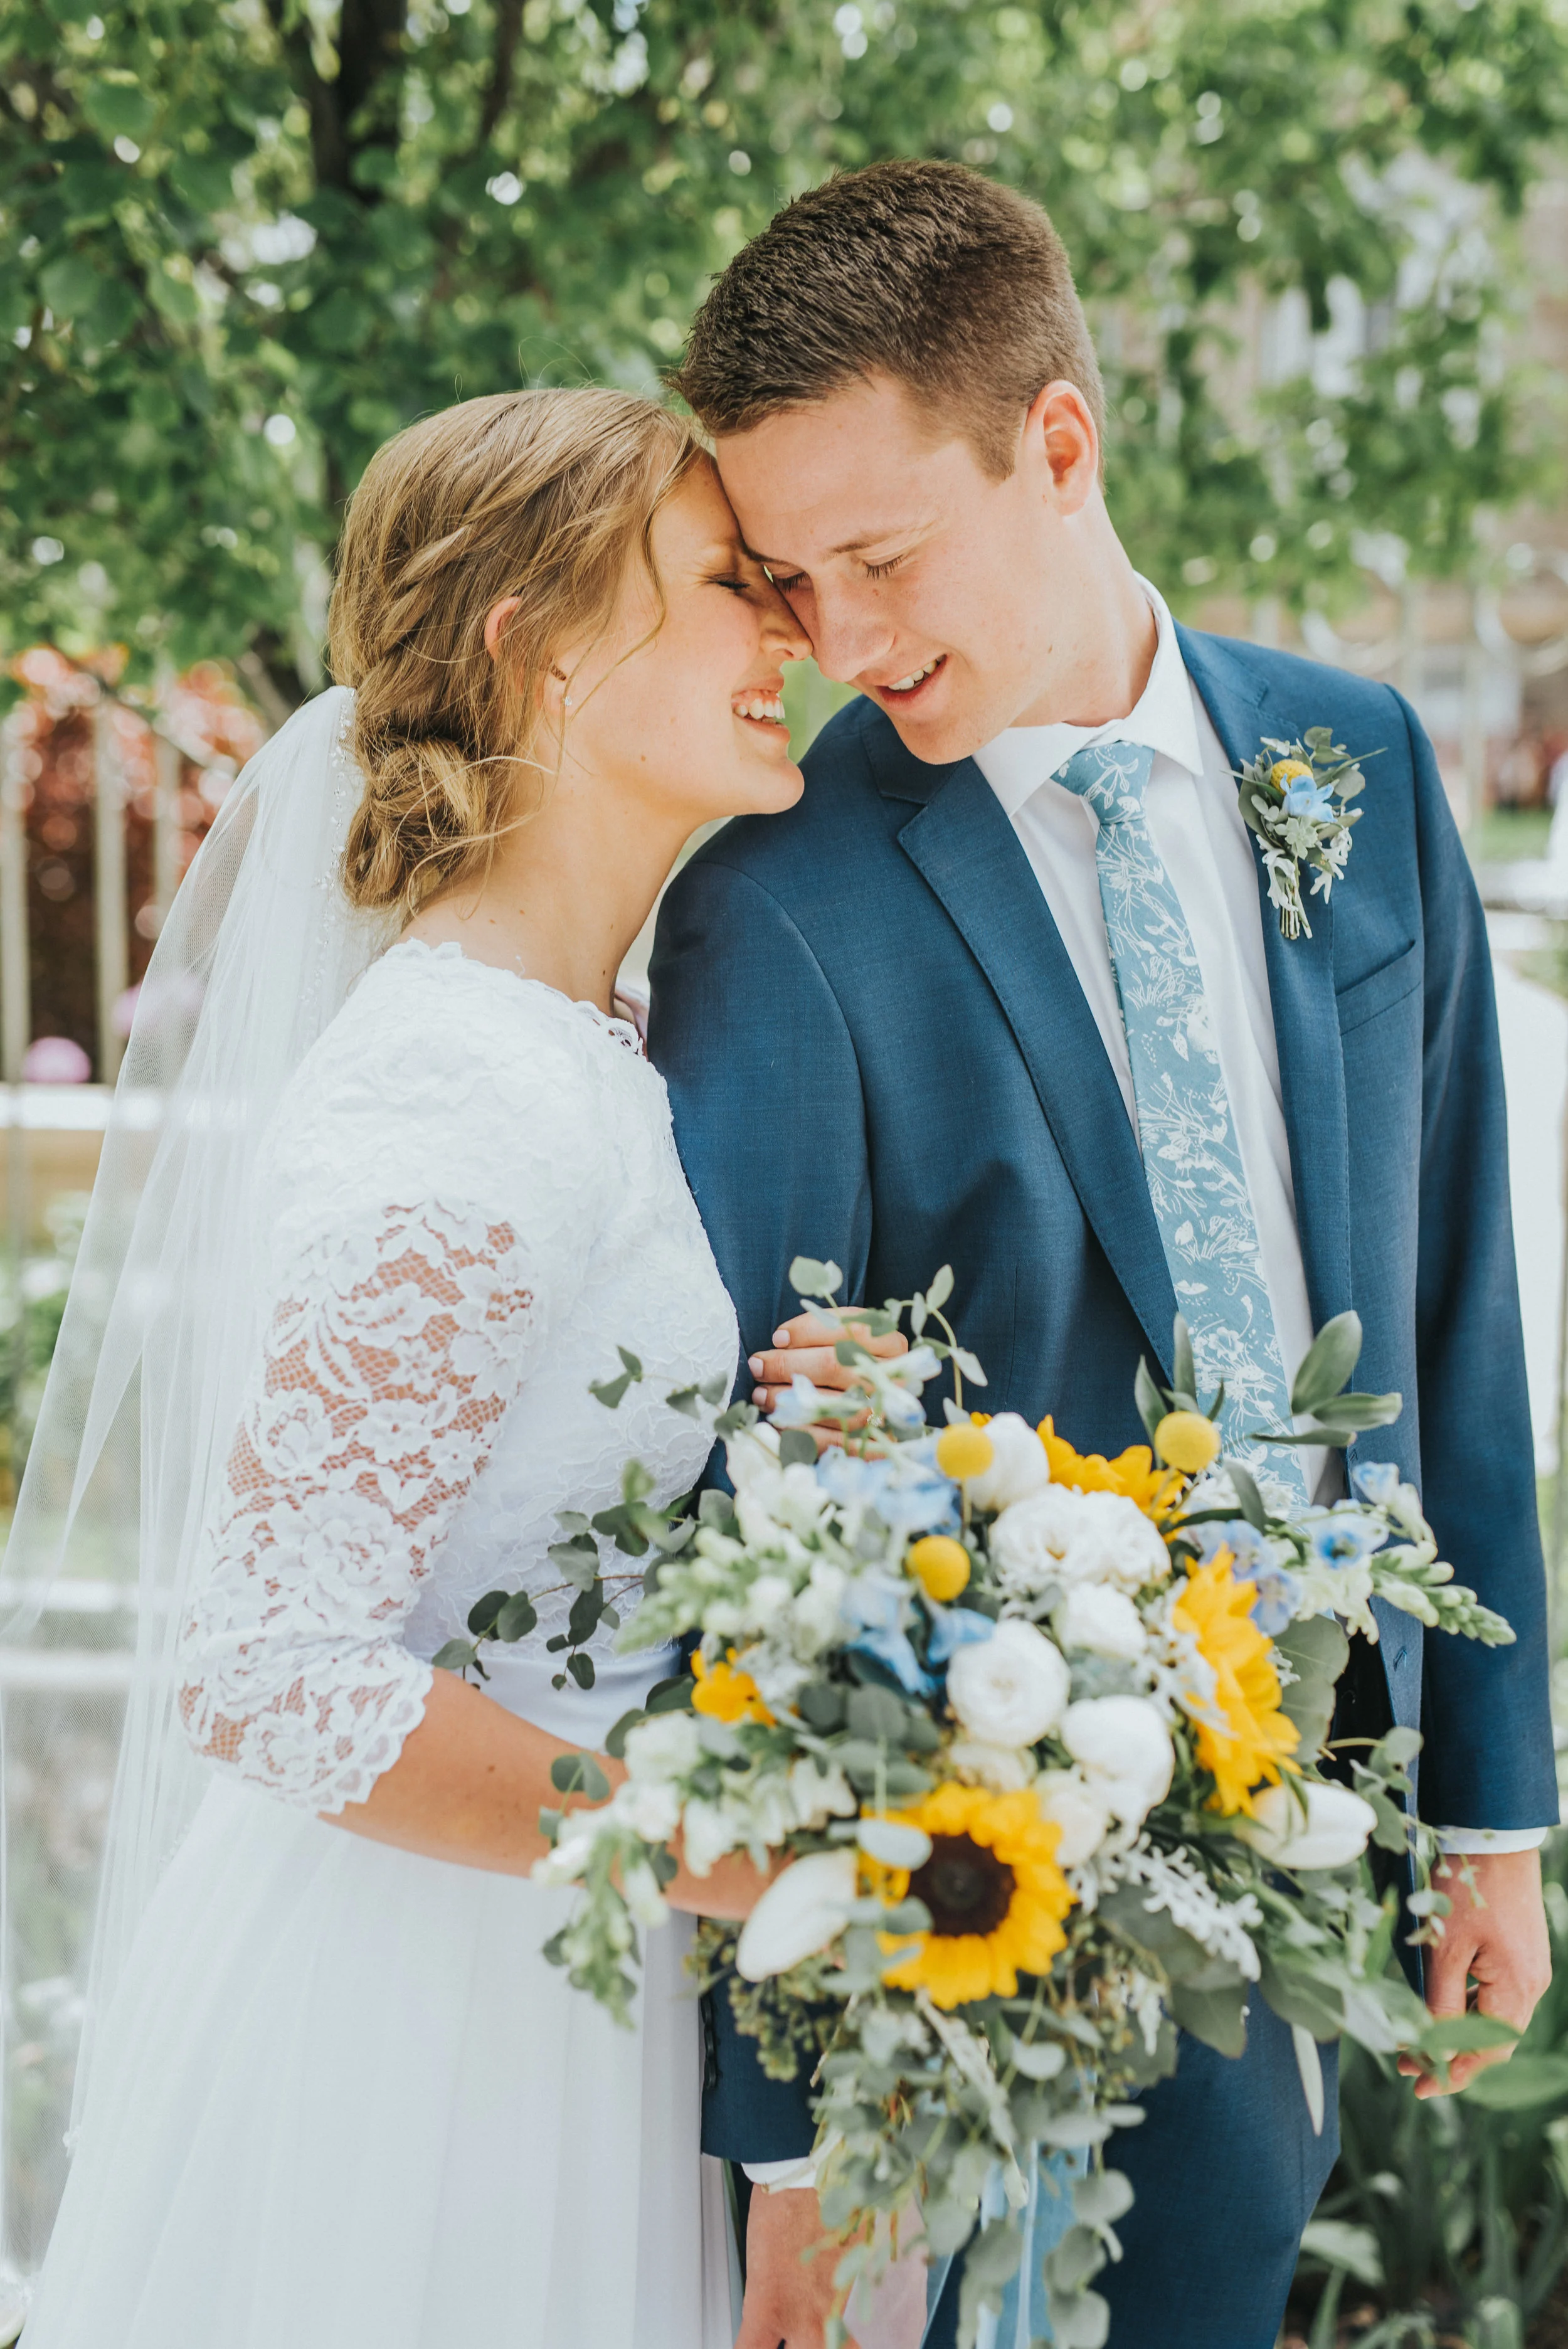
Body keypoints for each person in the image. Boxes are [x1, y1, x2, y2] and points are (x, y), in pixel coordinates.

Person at [649, 160, 1557, 2349]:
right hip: (997, 1914)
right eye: (792, 578)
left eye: (882, 557)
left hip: (1324, 1819)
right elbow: (734, 1520)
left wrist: (1489, 1812)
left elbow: (1452, 1291)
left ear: (1056, 443)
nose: (846, 642)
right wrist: (796, 2131)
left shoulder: (1355, 760)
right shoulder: (780, 904)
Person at [13, 387, 818, 2349]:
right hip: (415, 2028)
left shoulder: (570, 1049)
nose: (788, 636)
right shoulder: (459, 1082)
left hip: (551, 1970)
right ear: (534, 644)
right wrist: (741, 1856)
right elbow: (269, 1669)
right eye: (729, 583)